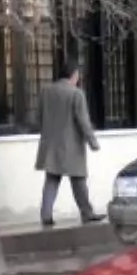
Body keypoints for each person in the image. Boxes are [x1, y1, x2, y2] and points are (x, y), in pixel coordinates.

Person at [35, 61, 104, 227]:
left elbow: (39, 117)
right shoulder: (76, 94)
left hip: (50, 144)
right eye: (78, 75)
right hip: (71, 144)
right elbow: (83, 121)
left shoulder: (46, 91)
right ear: (74, 75)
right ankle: (87, 212)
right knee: (79, 181)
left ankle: (46, 215)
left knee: (51, 179)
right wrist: (93, 142)